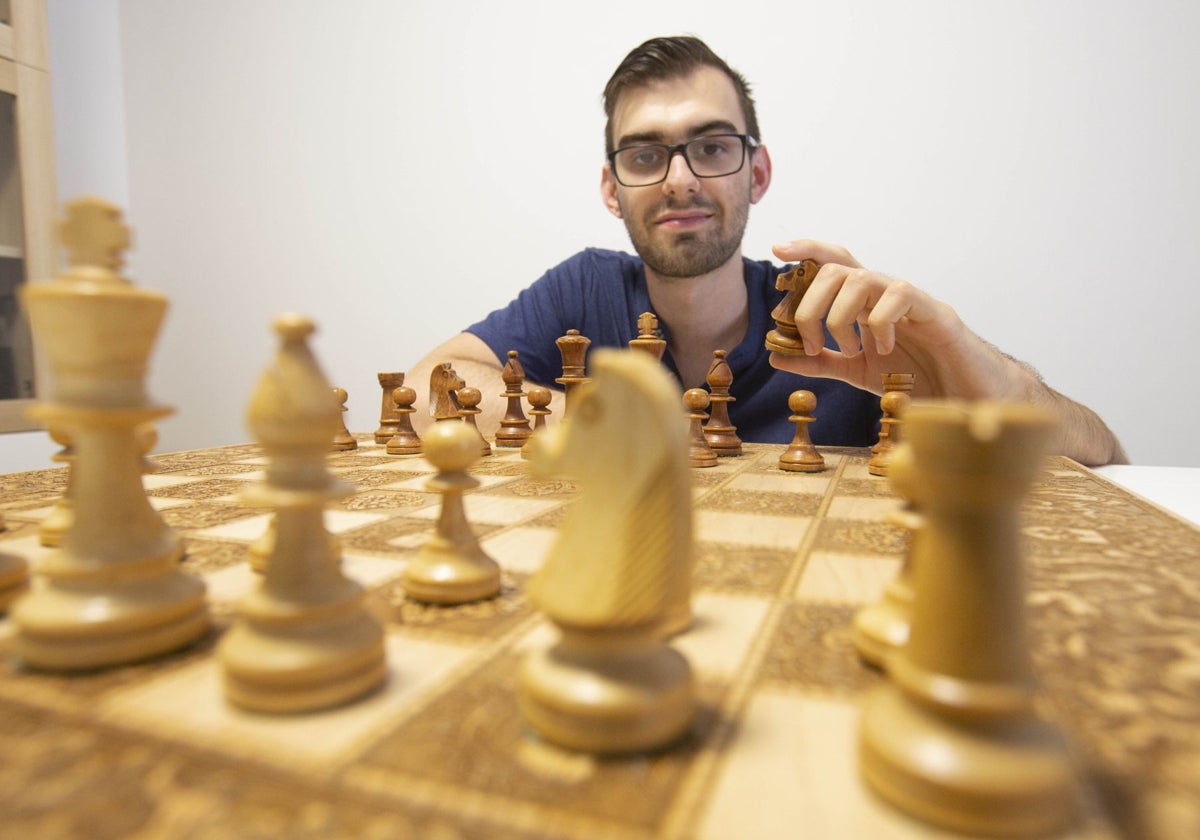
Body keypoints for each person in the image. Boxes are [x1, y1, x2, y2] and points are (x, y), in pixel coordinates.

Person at [408, 35, 1126, 467]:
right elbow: (430, 379)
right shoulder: (581, 293)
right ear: (611, 186)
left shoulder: (834, 317)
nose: (681, 178)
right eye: (645, 153)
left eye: (712, 146)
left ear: (757, 171)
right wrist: (592, 431)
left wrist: (984, 380)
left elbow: (1108, 458)